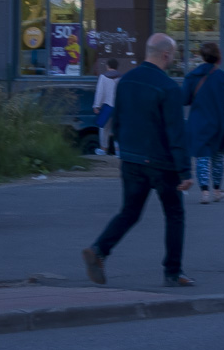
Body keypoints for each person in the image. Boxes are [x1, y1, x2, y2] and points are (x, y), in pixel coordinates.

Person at [82, 33, 196, 288]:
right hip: (161, 163)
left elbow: (118, 120)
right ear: (166, 55)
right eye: (173, 55)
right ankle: (172, 272)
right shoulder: (168, 87)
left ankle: (99, 249)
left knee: (130, 212)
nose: (173, 59)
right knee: (175, 214)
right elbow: (175, 132)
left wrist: (123, 150)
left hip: (131, 160)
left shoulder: (126, 81)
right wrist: (185, 171)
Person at [185, 43, 224, 204]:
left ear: (202, 56)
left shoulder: (192, 76)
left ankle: (204, 192)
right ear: (217, 57)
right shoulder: (223, 77)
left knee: (202, 157)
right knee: (217, 157)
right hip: (219, 122)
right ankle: (217, 190)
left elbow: (184, 99)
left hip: (199, 122)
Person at [92, 58, 120, 156]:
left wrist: (96, 105)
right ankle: (118, 151)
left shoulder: (103, 77)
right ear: (117, 67)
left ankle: (103, 149)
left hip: (106, 107)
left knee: (104, 128)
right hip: (118, 107)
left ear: (108, 66)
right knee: (117, 128)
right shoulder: (121, 77)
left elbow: (100, 92)